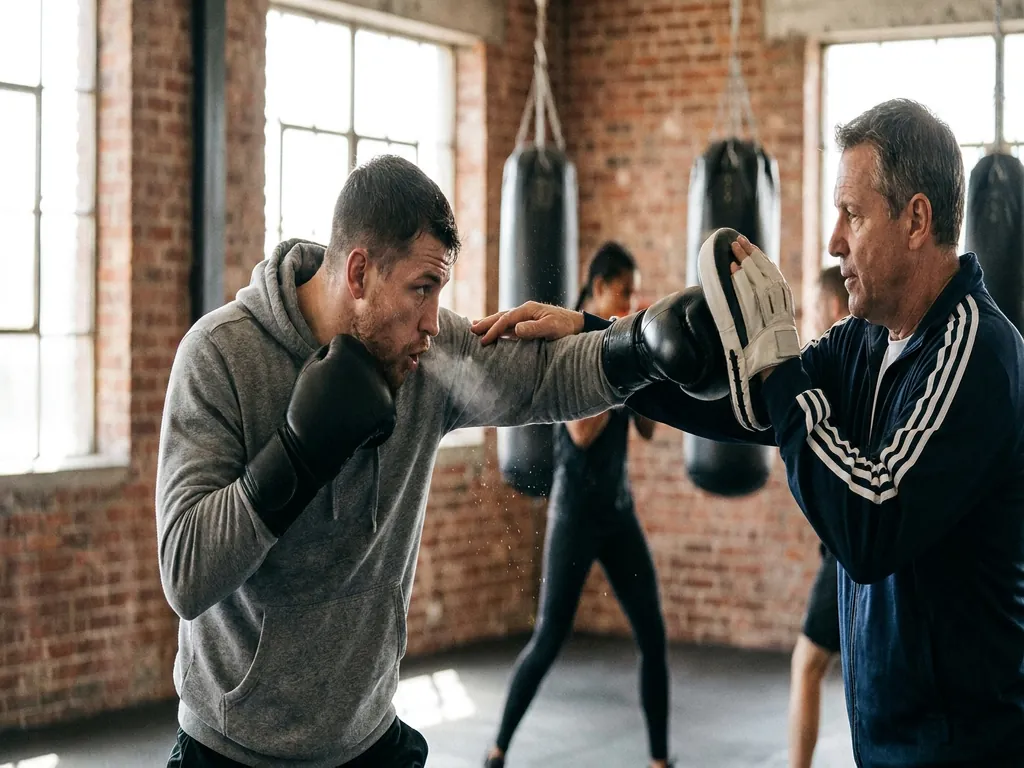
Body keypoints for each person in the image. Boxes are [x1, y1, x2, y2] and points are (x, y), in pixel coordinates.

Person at [475, 99, 1024, 766]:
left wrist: (782, 365)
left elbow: (872, 523)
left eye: (852, 214)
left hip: (968, 750)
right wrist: (598, 338)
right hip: (889, 740)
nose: (833, 242)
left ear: (916, 220)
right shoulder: (865, 344)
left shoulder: (974, 351)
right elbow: (743, 404)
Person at [156, 155, 727, 768]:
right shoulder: (220, 358)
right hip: (235, 751)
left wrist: (635, 347)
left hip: (370, 739)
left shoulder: (426, 356)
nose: (434, 323)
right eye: (421, 289)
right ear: (358, 273)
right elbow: (187, 574)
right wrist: (299, 452)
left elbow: (542, 379)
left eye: (440, 293)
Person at [483, 243, 672, 768]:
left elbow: (651, 430)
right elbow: (584, 432)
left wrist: (646, 363)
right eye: (625, 290)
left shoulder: (621, 338)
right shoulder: (575, 340)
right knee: (549, 637)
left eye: (635, 292)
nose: (631, 299)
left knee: (653, 636)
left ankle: (659, 760)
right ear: (598, 286)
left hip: (618, 511)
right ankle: (498, 749)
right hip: (575, 513)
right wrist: (616, 357)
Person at [787, 265, 849, 768]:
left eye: (813, 309)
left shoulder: (839, 364)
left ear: (833, 310)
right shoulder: (855, 360)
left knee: (807, 664)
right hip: (843, 544)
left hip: (852, 547)